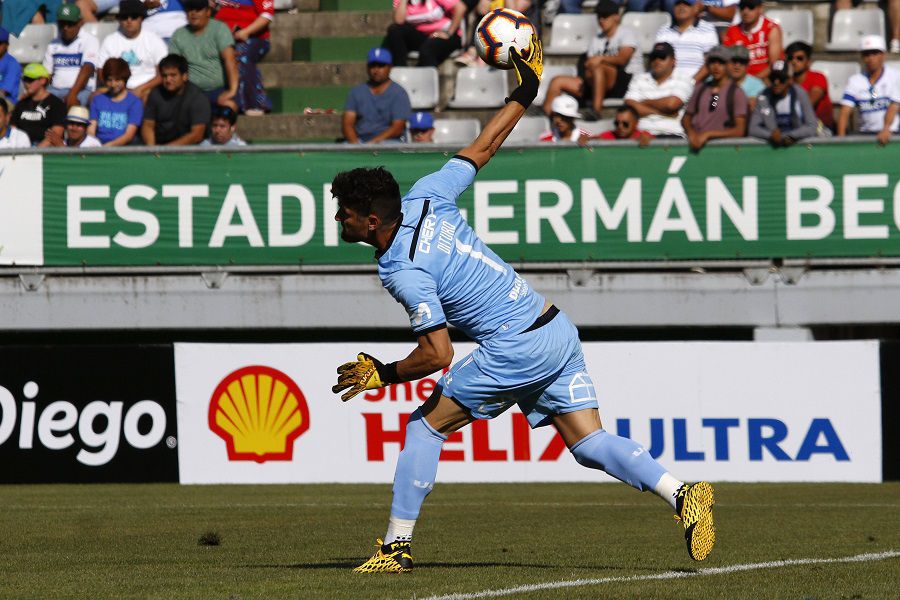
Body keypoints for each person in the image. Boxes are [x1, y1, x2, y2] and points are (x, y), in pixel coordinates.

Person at [330, 35, 716, 574]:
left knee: (424, 427)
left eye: (344, 214)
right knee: (587, 441)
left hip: (514, 345)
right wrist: (524, 91)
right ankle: (683, 493)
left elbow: (438, 355)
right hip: (554, 326)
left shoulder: (403, 270)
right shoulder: (425, 194)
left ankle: (395, 546)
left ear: (371, 220)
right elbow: (483, 147)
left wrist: (384, 372)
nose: (338, 221)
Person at [543, 0, 639, 119]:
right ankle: (548, 118)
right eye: (599, 16)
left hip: (624, 83)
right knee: (557, 81)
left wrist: (600, 59)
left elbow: (622, 60)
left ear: (616, 17)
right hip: (596, 81)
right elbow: (589, 64)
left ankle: (596, 111)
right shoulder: (597, 39)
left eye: (605, 16)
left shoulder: (626, 33)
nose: (601, 20)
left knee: (598, 68)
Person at [168, 0, 239, 110]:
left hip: (219, 89)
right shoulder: (178, 34)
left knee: (229, 106)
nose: (194, 13)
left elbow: (230, 60)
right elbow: (174, 67)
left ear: (208, 12)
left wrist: (232, 91)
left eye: (198, 10)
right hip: (191, 92)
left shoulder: (220, 29)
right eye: (190, 10)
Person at [97, 0, 168, 101]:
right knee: (94, 97)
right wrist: (118, 89)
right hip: (115, 88)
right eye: (125, 17)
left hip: (146, 89)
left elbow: (162, 73)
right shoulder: (110, 40)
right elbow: (100, 71)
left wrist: (141, 89)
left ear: (141, 19)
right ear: (120, 20)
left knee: (148, 98)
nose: (129, 20)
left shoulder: (154, 40)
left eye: (134, 17)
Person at [682, 45, 748, 151]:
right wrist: (691, 133)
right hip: (696, 146)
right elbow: (686, 118)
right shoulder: (700, 88)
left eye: (721, 62)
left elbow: (739, 130)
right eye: (712, 62)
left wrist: (709, 134)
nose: (716, 67)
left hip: (723, 150)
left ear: (728, 65)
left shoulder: (737, 93)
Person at [214, 0, 274, 115]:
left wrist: (246, 32)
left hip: (253, 37)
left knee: (242, 54)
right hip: (223, 36)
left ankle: (253, 103)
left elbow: (267, 16)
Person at [838, 35, 900, 145]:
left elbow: (894, 106)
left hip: (892, 134)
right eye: (866, 54)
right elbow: (845, 111)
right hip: (865, 134)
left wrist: (886, 128)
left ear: (883, 55)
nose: (870, 58)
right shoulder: (855, 80)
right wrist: (840, 140)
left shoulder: (895, 76)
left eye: (875, 53)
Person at [624, 42, 695, 138]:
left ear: (673, 61)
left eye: (662, 57)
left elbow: (671, 104)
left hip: (672, 135)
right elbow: (630, 107)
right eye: (654, 57)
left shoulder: (684, 79)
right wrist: (663, 113)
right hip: (642, 135)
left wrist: (644, 102)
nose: (657, 61)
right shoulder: (639, 79)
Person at [342, 48, 412, 144]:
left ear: (390, 67)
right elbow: (347, 124)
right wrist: (356, 145)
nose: (376, 70)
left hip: (388, 141)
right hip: (360, 141)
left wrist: (373, 144)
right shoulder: (356, 92)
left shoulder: (399, 93)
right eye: (372, 65)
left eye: (381, 65)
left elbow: (397, 127)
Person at [141, 53, 210, 145]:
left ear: (184, 76)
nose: (168, 80)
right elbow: (148, 125)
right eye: (165, 76)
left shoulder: (197, 98)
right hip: (160, 145)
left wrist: (166, 150)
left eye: (173, 75)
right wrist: (152, 149)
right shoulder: (155, 94)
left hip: (189, 149)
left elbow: (197, 134)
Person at [43, 2, 100, 107]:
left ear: (80, 23)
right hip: (54, 90)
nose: (65, 27)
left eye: (70, 24)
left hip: (81, 91)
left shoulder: (90, 40)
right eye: (62, 23)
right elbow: (46, 74)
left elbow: (87, 69)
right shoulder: (53, 44)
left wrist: (73, 94)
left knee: (71, 106)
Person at [748, 63, 817, 147]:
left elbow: (812, 126)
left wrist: (791, 135)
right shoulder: (763, 96)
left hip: (798, 148)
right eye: (773, 78)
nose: (776, 82)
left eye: (781, 78)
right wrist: (770, 135)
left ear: (790, 80)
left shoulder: (800, 94)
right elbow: (753, 129)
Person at [386, 0, 466, 67]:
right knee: (395, 30)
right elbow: (399, 21)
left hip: (446, 36)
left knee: (428, 49)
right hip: (423, 36)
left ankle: (428, 82)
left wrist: (448, 33)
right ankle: (401, 72)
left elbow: (460, 8)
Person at [655, 0, 719, 82]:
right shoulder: (663, 30)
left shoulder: (708, 29)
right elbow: (657, 61)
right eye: (678, 4)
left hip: (696, 85)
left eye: (687, 4)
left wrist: (691, 83)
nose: (681, 7)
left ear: (695, 8)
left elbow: (710, 62)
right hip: (667, 85)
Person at [722, 0, 782, 81]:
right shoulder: (732, 31)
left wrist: (752, 82)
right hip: (738, 80)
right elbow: (727, 62)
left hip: (765, 79)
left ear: (760, 9)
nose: (745, 12)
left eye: (751, 7)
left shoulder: (771, 29)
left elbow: (774, 64)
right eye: (742, 7)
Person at [89, 57, 142, 145]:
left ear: (125, 79)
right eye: (109, 80)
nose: (113, 84)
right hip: (98, 146)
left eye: (117, 80)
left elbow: (129, 135)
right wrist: (93, 145)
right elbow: (91, 130)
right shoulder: (97, 100)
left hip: (124, 149)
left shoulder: (134, 102)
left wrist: (108, 147)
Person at [11, 63, 66, 146]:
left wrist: (35, 153)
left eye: (30, 79)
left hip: (46, 151)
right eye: (24, 79)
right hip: (21, 148)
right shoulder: (21, 104)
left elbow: (55, 135)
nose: (26, 83)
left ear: (43, 80)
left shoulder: (56, 104)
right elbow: (13, 130)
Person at [785, 41, 834, 133]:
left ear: (808, 62)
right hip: (795, 129)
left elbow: (809, 103)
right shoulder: (784, 82)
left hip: (821, 130)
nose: (794, 62)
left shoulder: (818, 77)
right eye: (790, 58)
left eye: (799, 58)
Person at [727, 44, 764, 112]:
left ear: (747, 65)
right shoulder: (718, 82)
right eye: (734, 61)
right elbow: (713, 106)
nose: (737, 66)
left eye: (742, 62)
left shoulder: (757, 85)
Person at [0, 27, 22, 104]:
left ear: (7, 45)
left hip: (6, 102)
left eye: (0, 43)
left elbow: (4, 92)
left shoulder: (12, 63)